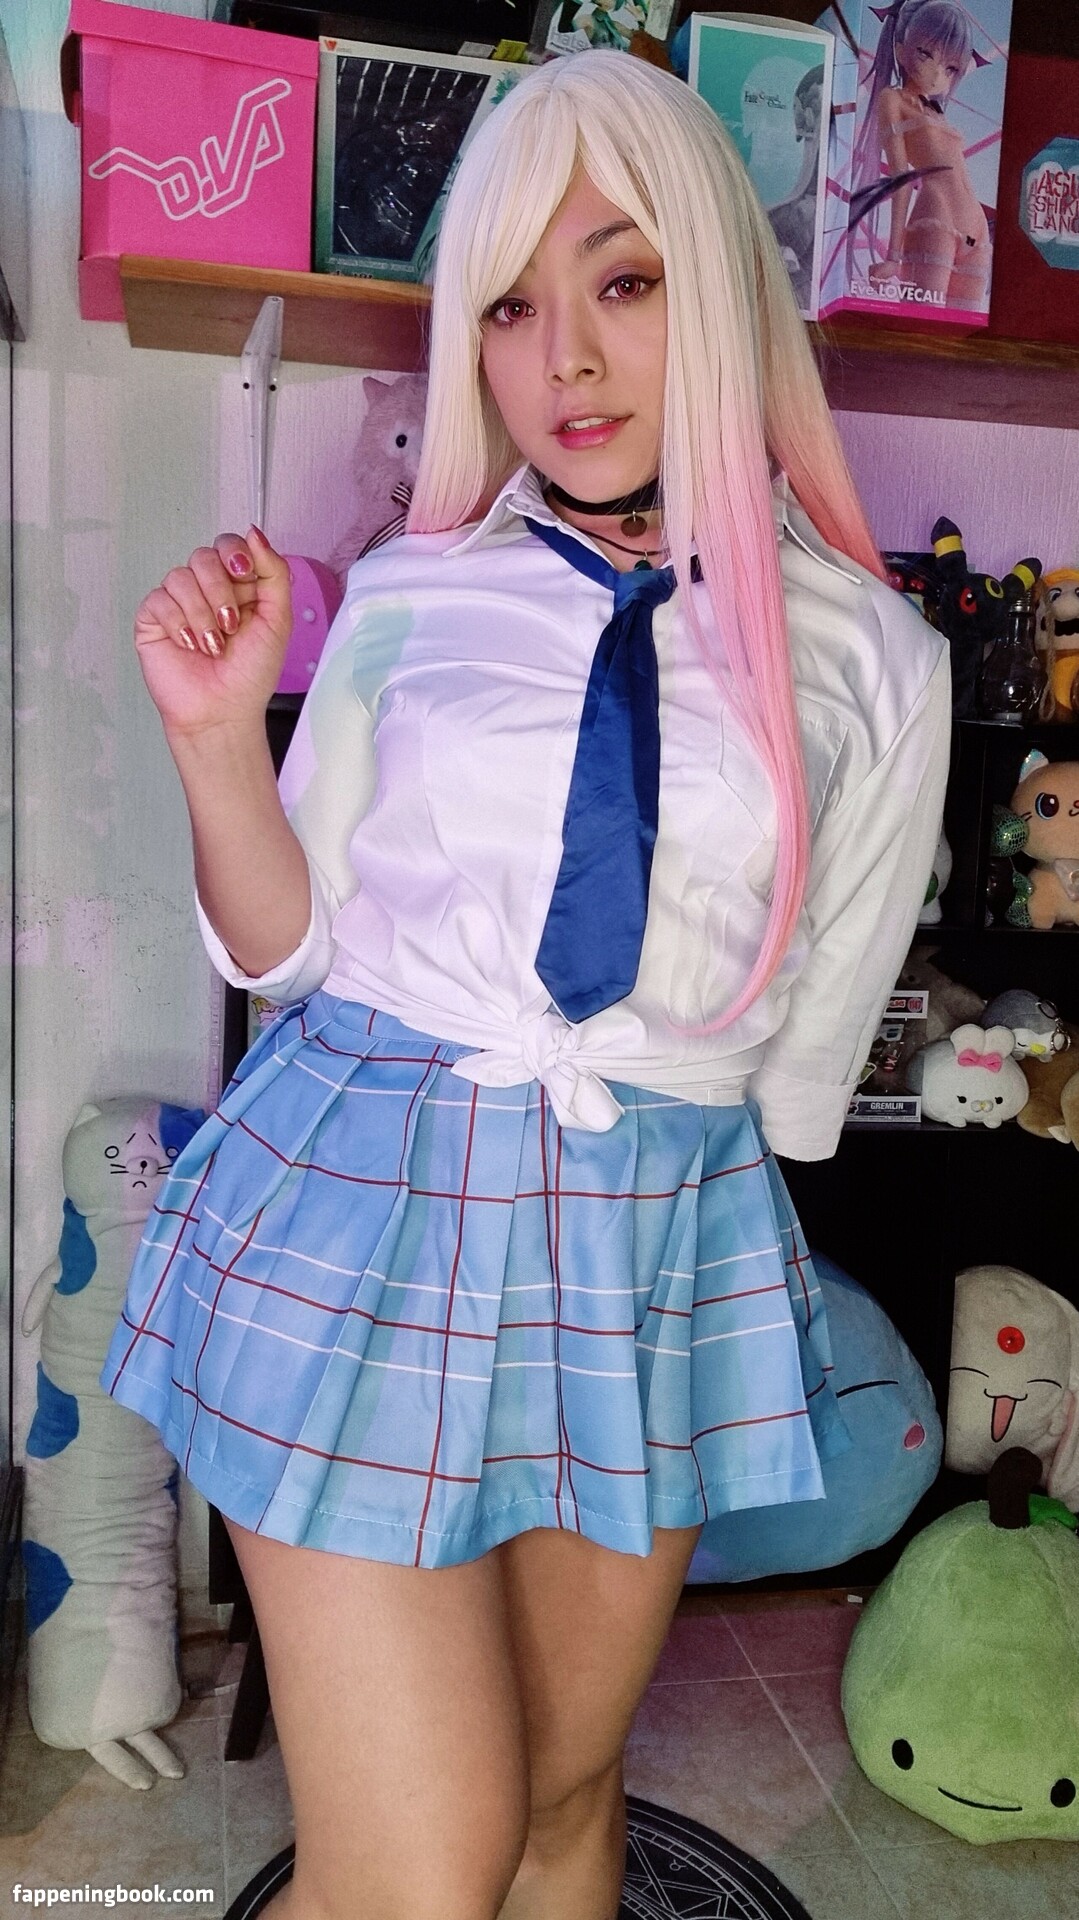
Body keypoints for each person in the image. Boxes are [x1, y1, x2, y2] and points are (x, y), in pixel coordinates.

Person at [100, 48, 951, 1920]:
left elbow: (799, 1056)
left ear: (716, 287)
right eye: (504, 305)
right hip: (367, 1215)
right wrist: (217, 743)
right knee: (421, 1872)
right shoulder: (414, 591)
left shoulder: (876, 659)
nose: (561, 356)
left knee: (566, 1806)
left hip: (645, 1242)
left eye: (621, 280)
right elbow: (281, 952)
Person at [854, 0, 991, 311]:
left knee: (964, 328)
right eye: (926, 54)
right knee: (923, 322)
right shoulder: (893, 99)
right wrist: (893, 256)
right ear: (901, 51)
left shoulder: (936, 111)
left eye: (951, 67)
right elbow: (900, 180)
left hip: (976, 230)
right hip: (936, 219)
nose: (938, 73)